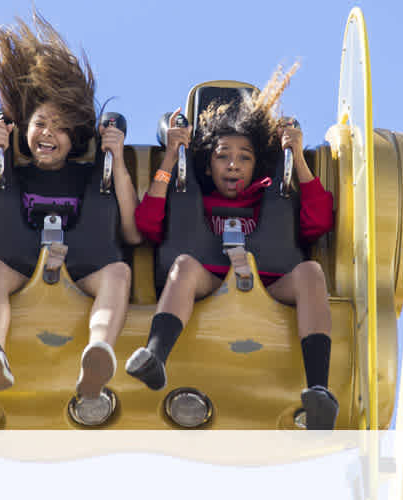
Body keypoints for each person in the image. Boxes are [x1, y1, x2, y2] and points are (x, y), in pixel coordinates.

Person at [127, 64, 340, 429]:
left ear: (256, 165)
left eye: (244, 158)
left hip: (270, 285)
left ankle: (319, 389)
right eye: (223, 156)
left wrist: (298, 158)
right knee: (184, 267)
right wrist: (169, 157)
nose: (233, 166)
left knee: (311, 273)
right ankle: (155, 356)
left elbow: (318, 223)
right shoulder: (191, 196)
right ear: (208, 165)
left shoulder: (271, 193)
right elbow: (147, 223)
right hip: (209, 281)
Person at [0, 13, 141, 401]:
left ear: (74, 139)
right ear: (24, 130)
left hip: (83, 267)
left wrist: (117, 160)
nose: (47, 134)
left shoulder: (93, 178)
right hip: (18, 265)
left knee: (119, 272)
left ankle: (99, 351)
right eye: (40, 123)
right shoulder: (9, 175)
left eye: (59, 127)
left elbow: (133, 233)